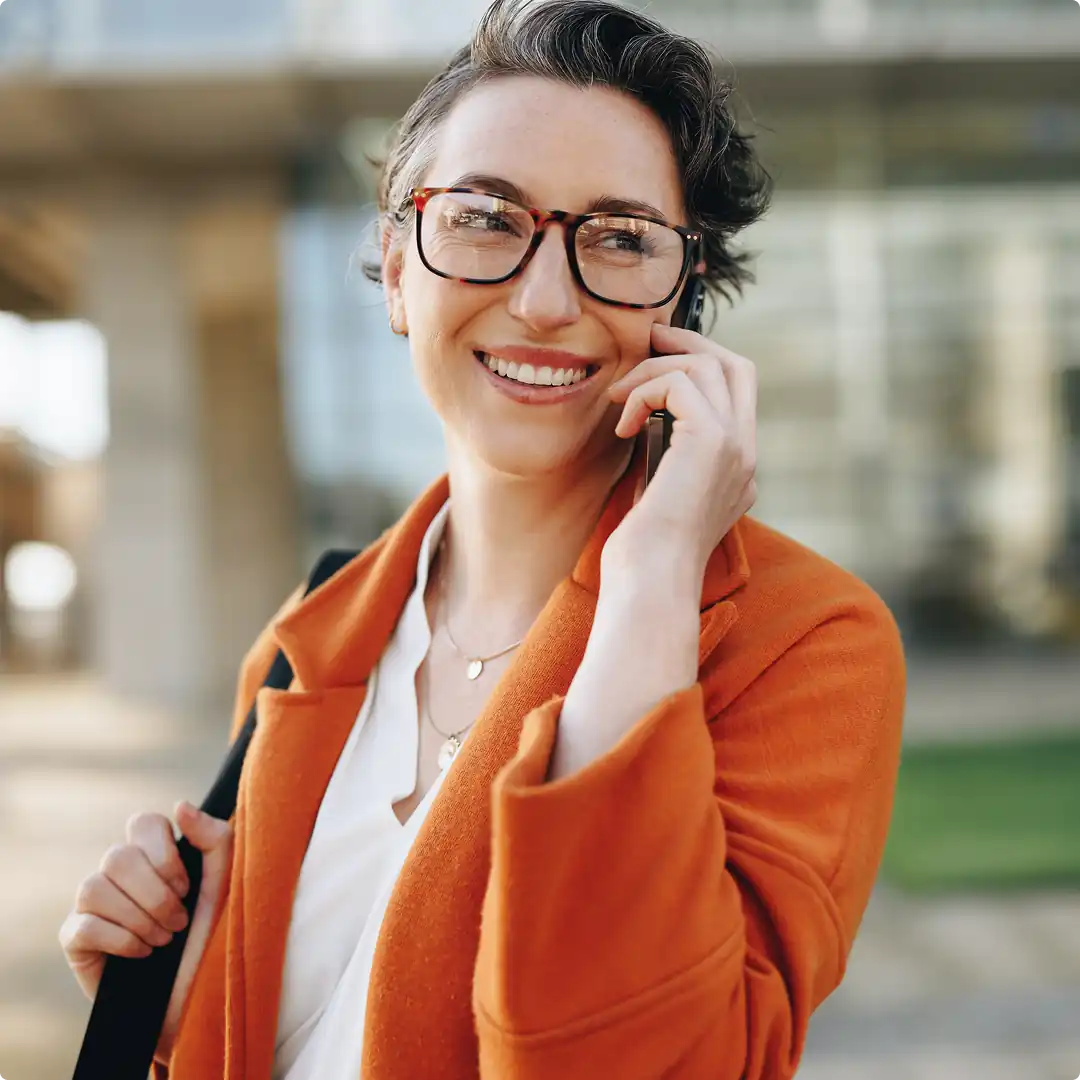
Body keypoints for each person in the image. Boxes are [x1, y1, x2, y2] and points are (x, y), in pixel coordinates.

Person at [59, 1, 906, 1077]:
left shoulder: (804, 643)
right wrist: (193, 1019)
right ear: (401, 268)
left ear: (684, 298)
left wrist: (653, 579)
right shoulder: (307, 637)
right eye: (486, 219)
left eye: (619, 239)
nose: (546, 300)